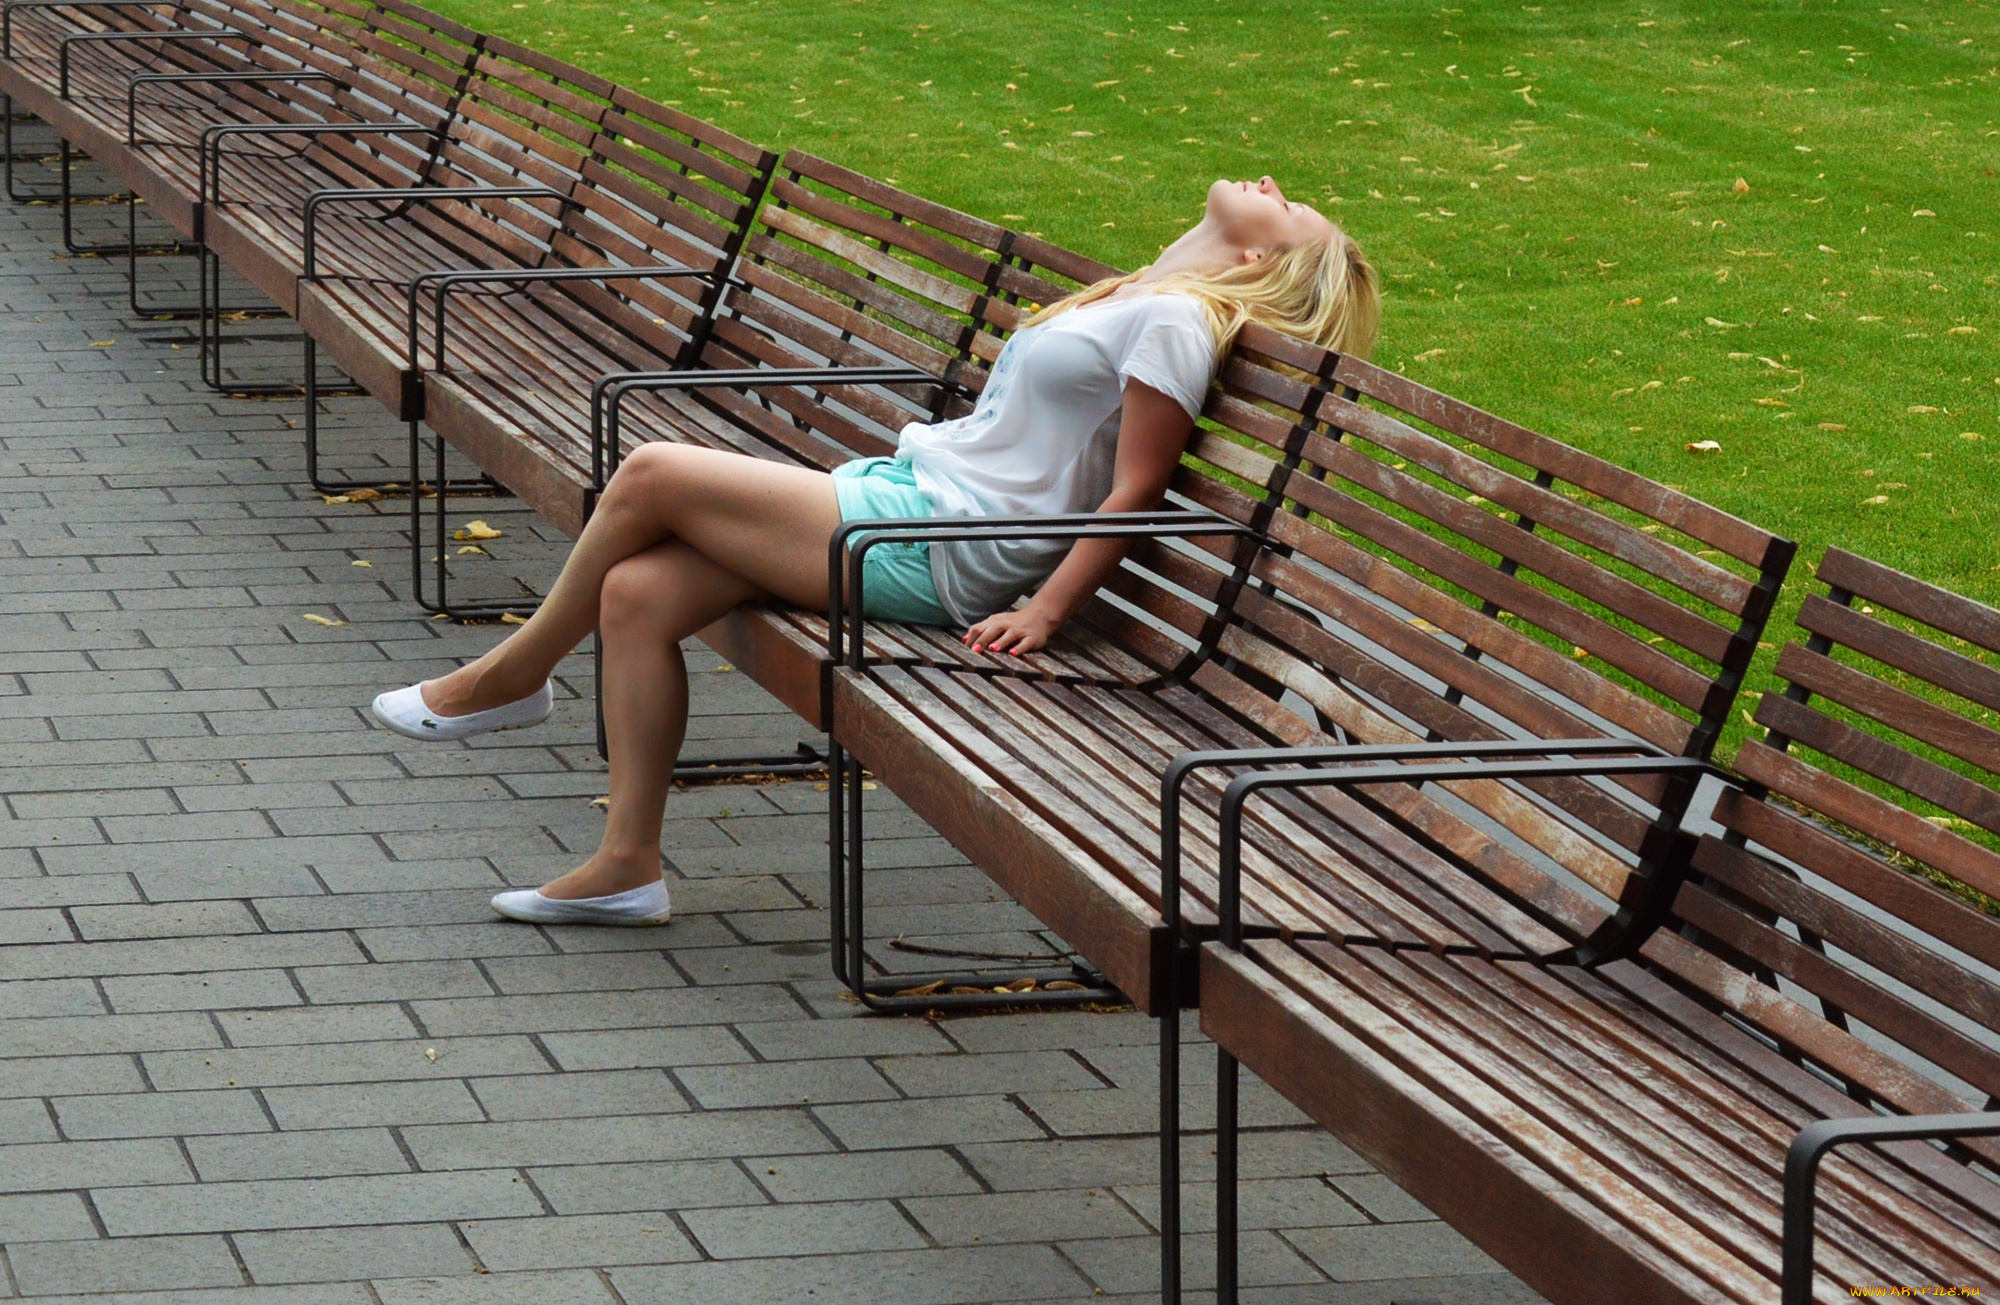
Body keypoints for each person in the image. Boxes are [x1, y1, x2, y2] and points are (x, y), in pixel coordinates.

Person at [370, 175, 1380, 926]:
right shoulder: (1136, 298)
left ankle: (513, 674)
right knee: (635, 592)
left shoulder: (1174, 320)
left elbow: (1135, 489)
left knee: (650, 474)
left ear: (1259, 261)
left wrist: (1047, 608)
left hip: (945, 547)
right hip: (908, 501)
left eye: (1289, 208)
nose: (1272, 187)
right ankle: (626, 865)